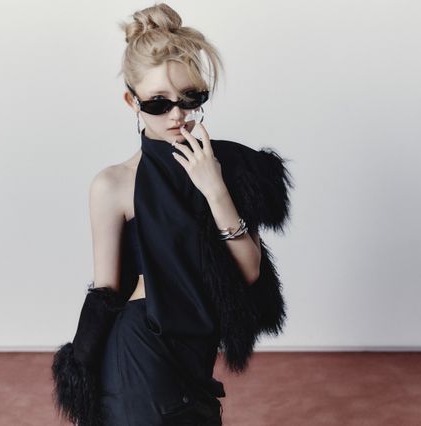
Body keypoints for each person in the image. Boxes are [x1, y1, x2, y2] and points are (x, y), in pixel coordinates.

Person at [52, 3, 294, 426]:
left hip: (195, 357)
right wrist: (80, 372)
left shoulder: (234, 168)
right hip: (139, 352)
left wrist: (214, 187)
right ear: (131, 101)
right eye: (158, 103)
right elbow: (106, 291)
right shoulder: (113, 185)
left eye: (190, 98)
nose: (177, 114)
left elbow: (251, 270)